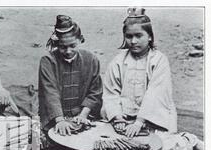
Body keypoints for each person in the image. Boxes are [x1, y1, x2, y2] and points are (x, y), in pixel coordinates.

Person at [101, 8, 177, 137]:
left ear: (150, 37)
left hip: (152, 116)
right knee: (111, 141)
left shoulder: (158, 60)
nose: (133, 41)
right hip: (124, 115)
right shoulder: (118, 61)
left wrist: (139, 122)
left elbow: (156, 93)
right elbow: (111, 92)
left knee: (158, 147)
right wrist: (118, 117)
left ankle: (190, 141)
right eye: (129, 36)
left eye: (139, 35)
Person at [38, 15, 103, 136]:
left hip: (82, 114)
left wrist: (83, 115)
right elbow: (50, 92)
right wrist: (60, 120)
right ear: (57, 43)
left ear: (80, 40)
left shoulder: (91, 59)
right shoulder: (48, 61)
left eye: (73, 46)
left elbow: (95, 92)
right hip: (55, 117)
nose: (68, 51)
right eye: (63, 47)